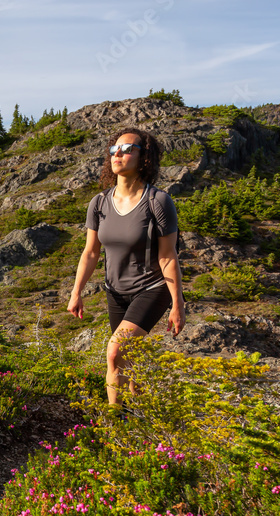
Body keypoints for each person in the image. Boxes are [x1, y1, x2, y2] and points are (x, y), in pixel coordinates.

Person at [67, 127, 185, 407]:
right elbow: (91, 252)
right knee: (130, 360)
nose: (117, 154)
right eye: (113, 150)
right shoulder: (99, 203)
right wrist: (76, 292)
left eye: (127, 149)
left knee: (114, 352)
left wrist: (178, 304)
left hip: (152, 289)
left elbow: (168, 257)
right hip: (115, 291)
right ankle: (139, 417)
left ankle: (114, 424)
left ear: (144, 157)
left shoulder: (157, 202)